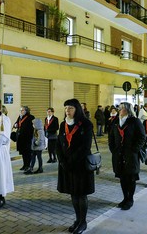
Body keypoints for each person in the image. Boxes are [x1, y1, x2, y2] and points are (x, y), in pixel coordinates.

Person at [57, 98, 94, 234]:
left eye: (71, 108)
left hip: (80, 165)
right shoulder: (63, 124)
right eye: (66, 108)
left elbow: (85, 147)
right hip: (66, 166)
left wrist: (71, 161)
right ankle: (77, 219)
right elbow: (58, 145)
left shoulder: (86, 124)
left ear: (77, 109)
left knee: (81, 194)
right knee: (73, 193)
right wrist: (62, 161)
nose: (67, 111)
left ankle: (83, 222)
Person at [108, 102, 146, 210]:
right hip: (118, 155)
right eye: (119, 109)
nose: (120, 110)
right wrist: (113, 149)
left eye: (122, 109)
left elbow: (142, 137)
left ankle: (130, 199)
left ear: (128, 111)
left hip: (131, 155)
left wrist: (134, 149)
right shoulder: (116, 121)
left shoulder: (135, 121)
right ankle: (124, 198)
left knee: (131, 178)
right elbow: (111, 137)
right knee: (122, 178)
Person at [13, 106, 35, 172]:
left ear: (26, 111)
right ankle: (24, 165)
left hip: (27, 138)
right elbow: (16, 123)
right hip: (20, 138)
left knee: (27, 153)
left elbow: (31, 128)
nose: (21, 111)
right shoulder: (20, 117)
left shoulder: (30, 117)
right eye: (20, 110)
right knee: (23, 153)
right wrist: (15, 125)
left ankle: (28, 165)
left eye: (22, 110)